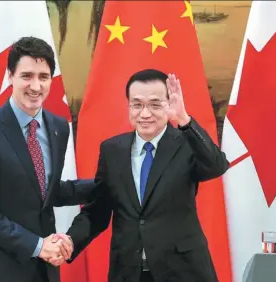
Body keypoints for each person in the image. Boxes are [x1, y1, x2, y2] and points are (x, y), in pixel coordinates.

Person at [61, 69, 230, 282]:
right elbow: (98, 210)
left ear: (168, 104)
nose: (145, 114)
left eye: (155, 104)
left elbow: (216, 166)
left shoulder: (186, 143)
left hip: (183, 271)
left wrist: (184, 119)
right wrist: (70, 241)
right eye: (137, 104)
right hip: (129, 272)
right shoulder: (112, 150)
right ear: (128, 106)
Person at [0, 36, 93, 282]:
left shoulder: (58, 128)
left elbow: (44, 191)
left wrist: (107, 183)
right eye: (27, 76)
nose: (36, 86)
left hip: (43, 272)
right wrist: (38, 246)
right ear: (10, 76)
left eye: (43, 77)